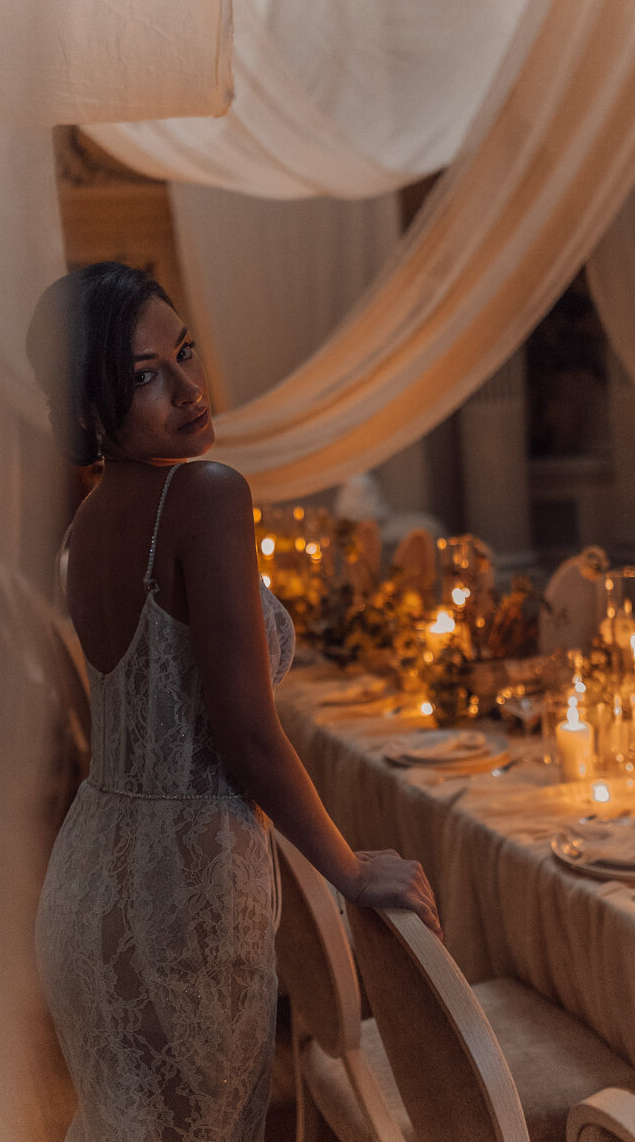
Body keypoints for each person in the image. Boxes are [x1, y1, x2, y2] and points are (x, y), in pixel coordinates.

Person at [29, 262, 440, 1142]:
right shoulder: (208, 493)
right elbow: (248, 739)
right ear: (90, 409)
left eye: (184, 353)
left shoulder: (89, 521)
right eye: (145, 376)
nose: (187, 389)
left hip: (91, 874)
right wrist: (350, 871)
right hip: (189, 885)